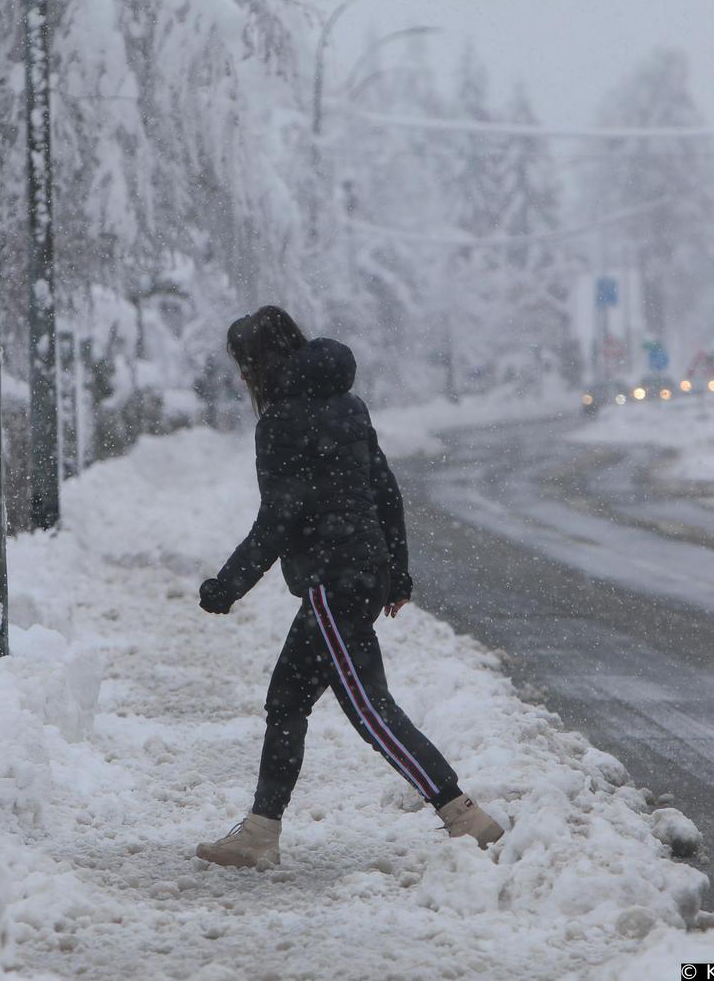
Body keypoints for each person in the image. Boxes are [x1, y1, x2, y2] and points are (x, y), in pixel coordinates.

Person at [194, 306, 504, 869]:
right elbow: (385, 489)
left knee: (369, 708)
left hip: (331, 581)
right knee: (286, 701)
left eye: (244, 365)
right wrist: (397, 570)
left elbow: (280, 517)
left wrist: (228, 585)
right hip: (360, 572)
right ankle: (261, 831)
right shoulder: (347, 406)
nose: (242, 378)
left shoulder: (284, 420)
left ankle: (463, 815)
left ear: (263, 361)